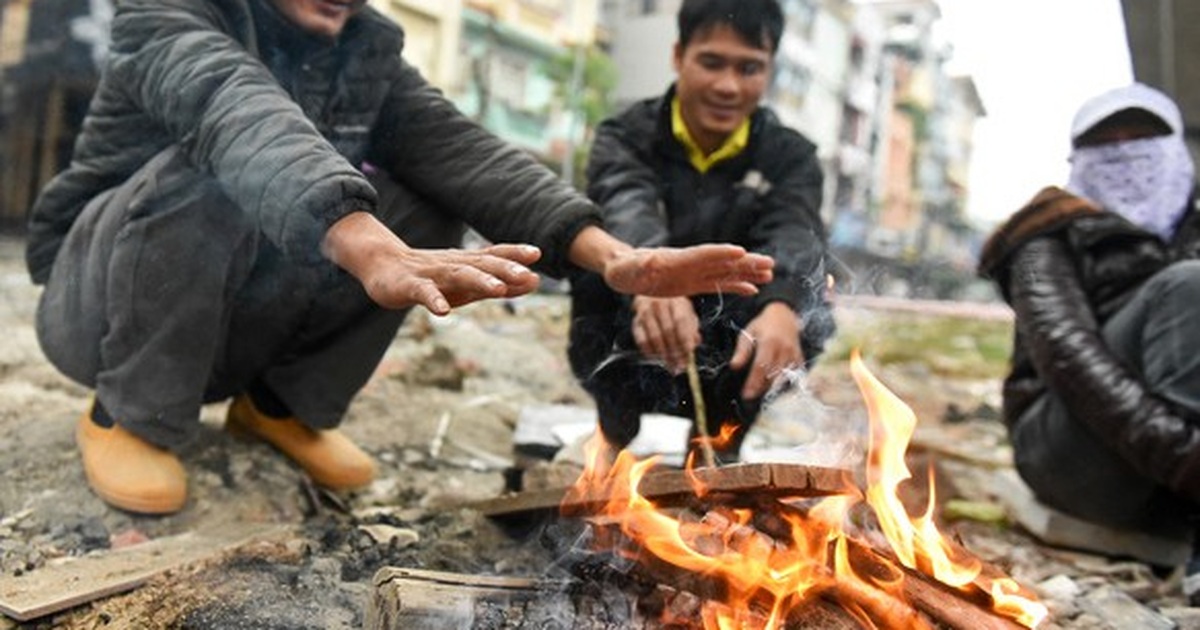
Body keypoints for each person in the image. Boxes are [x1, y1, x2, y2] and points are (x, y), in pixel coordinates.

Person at [26, 0, 777, 515]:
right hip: (101, 304)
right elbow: (236, 112)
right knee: (215, 168)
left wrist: (615, 261)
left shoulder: (364, 48)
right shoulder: (164, 14)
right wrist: (364, 241)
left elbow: (462, 152)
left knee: (428, 194)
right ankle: (130, 413)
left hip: (231, 319)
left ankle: (281, 407)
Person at [567, 0, 835, 464]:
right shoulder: (626, 135)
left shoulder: (790, 155)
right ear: (678, 56)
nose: (728, 86)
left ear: (769, 70)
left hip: (726, 332)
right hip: (641, 323)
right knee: (594, 270)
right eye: (711, 62)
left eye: (749, 68)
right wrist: (650, 279)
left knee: (805, 307)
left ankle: (718, 446)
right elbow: (625, 203)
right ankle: (613, 434)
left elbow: (794, 228)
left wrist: (782, 305)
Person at [978, 83, 1200, 580]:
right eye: (1106, 144)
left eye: (1142, 139)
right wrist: (1190, 461)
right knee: (1188, 286)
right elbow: (1072, 361)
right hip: (1067, 453)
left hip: (1163, 472)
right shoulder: (1040, 242)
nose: (1125, 154)